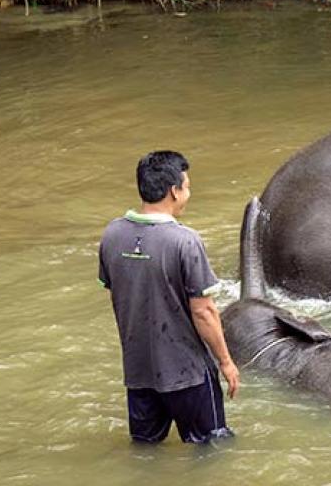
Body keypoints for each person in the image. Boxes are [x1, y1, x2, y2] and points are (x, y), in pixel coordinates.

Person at [98, 150, 240, 444]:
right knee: (213, 447)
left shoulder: (112, 235)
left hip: (138, 372)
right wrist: (226, 361)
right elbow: (204, 312)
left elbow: (118, 294)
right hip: (188, 373)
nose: (188, 193)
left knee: (145, 450)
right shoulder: (184, 241)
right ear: (174, 191)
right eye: (186, 186)